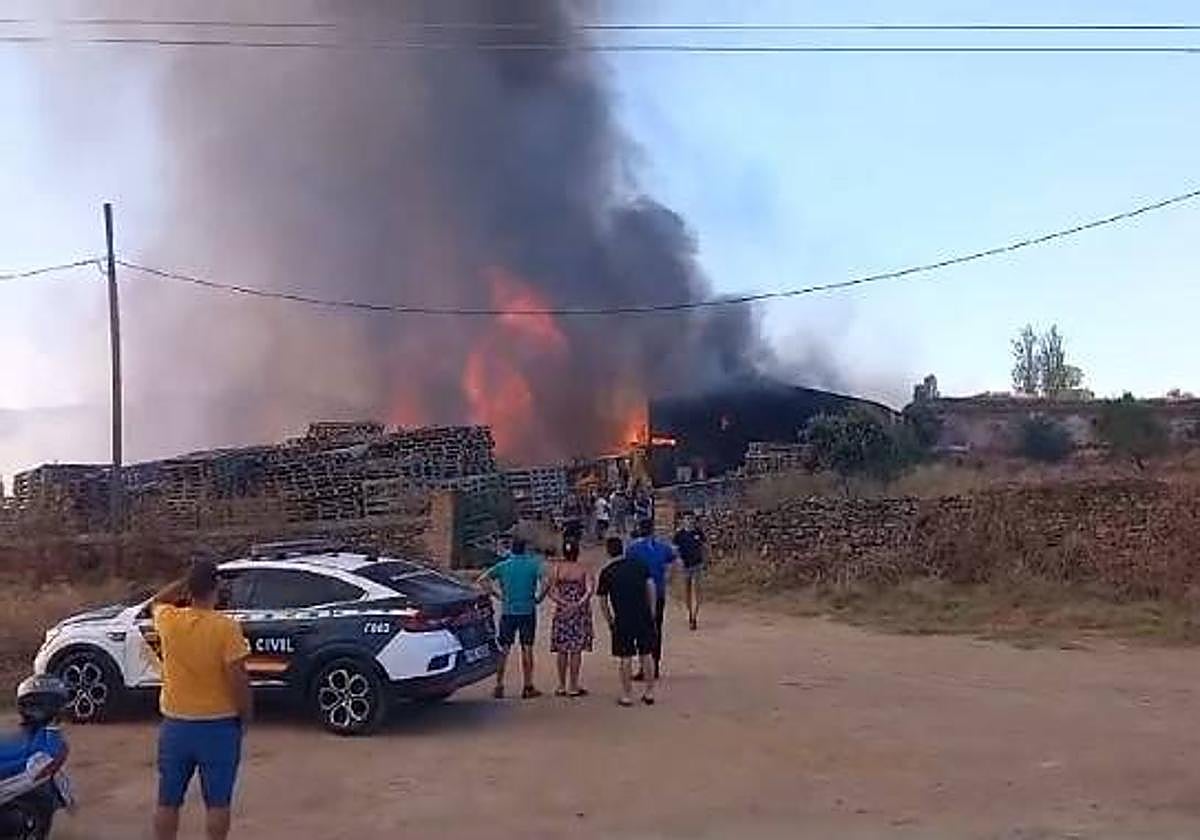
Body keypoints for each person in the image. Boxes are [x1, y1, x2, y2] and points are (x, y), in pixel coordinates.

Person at [150, 560, 253, 840]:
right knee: (218, 802)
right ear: (217, 587)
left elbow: (157, 600)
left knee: (168, 799)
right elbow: (237, 679)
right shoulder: (225, 628)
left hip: (175, 724)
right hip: (217, 726)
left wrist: (185, 581)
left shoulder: (169, 620)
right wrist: (245, 715)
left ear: (189, 589)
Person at [477, 537, 546, 700]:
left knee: (504, 649)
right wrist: (539, 597)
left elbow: (482, 579)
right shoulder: (533, 564)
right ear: (525, 549)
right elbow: (547, 580)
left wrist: (497, 595)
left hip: (508, 610)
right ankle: (528, 685)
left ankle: (499, 684)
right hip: (527, 610)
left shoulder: (503, 566)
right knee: (527, 648)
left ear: (511, 550)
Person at [596, 537, 658, 706]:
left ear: (608, 551)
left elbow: (602, 600)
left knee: (625, 656)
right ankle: (649, 692)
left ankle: (627, 694)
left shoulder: (607, 572)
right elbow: (651, 587)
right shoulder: (638, 565)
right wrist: (651, 611)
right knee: (646, 654)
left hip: (622, 617)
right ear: (622, 549)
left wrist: (609, 620)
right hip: (643, 614)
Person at [626, 518, 676, 680]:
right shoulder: (662, 547)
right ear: (653, 530)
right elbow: (674, 560)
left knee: (641, 630)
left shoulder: (633, 549)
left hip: (640, 593)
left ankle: (643, 666)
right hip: (659, 591)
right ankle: (654, 665)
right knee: (656, 628)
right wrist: (667, 577)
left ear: (640, 530)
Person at [548, 538, 594, 697]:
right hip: (579, 613)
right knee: (575, 650)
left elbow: (551, 591)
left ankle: (561, 685)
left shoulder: (557, 568)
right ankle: (573, 685)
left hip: (562, 612)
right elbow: (589, 590)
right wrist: (577, 604)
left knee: (562, 649)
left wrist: (563, 603)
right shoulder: (583, 568)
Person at [673, 512, 708, 631]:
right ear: (683, 521)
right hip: (685, 566)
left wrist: (705, 561)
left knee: (697, 591)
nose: (689, 521)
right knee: (686, 591)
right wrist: (678, 562)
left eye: (691, 519)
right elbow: (676, 551)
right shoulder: (679, 535)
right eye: (687, 519)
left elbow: (704, 547)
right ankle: (689, 613)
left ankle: (694, 615)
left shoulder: (698, 533)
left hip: (697, 565)